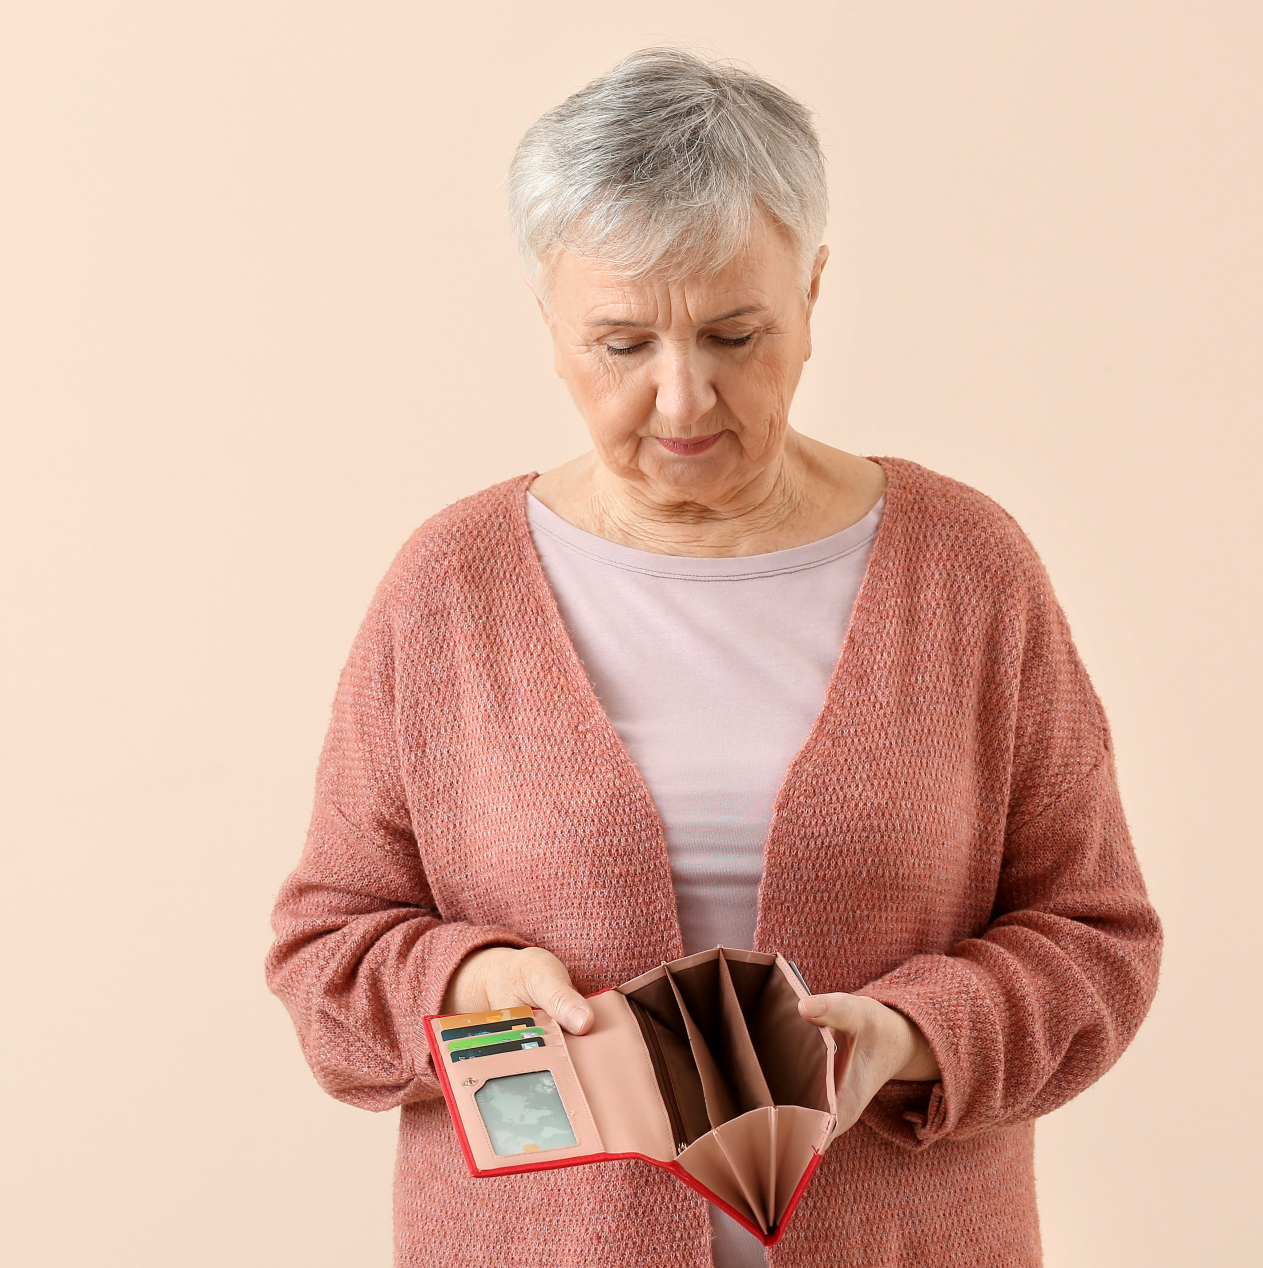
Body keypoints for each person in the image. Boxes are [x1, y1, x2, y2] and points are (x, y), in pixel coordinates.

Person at [267, 47, 1162, 1268]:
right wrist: (476, 980)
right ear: (549, 322)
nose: (682, 399)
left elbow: (1095, 936)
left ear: (813, 291)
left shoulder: (969, 571)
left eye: (736, 334)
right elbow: (327, 950)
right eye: (622, 344)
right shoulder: (450, 591)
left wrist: (906, 1036)